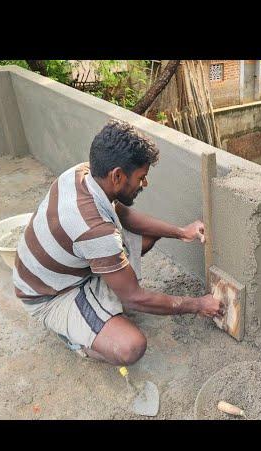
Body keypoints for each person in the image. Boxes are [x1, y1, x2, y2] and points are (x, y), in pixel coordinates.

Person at [13, 120, 225, 365]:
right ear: (117, 176)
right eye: (141, 177)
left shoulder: (83, 174)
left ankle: (101, 296)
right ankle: (75, 338)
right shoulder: (95, 231)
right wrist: (198, 304)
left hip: (60, 271)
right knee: (130, 346)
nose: (144, 184)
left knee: (148, 235)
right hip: (49, 295)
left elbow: (122, 214)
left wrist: (180, 232)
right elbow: (134, 298)